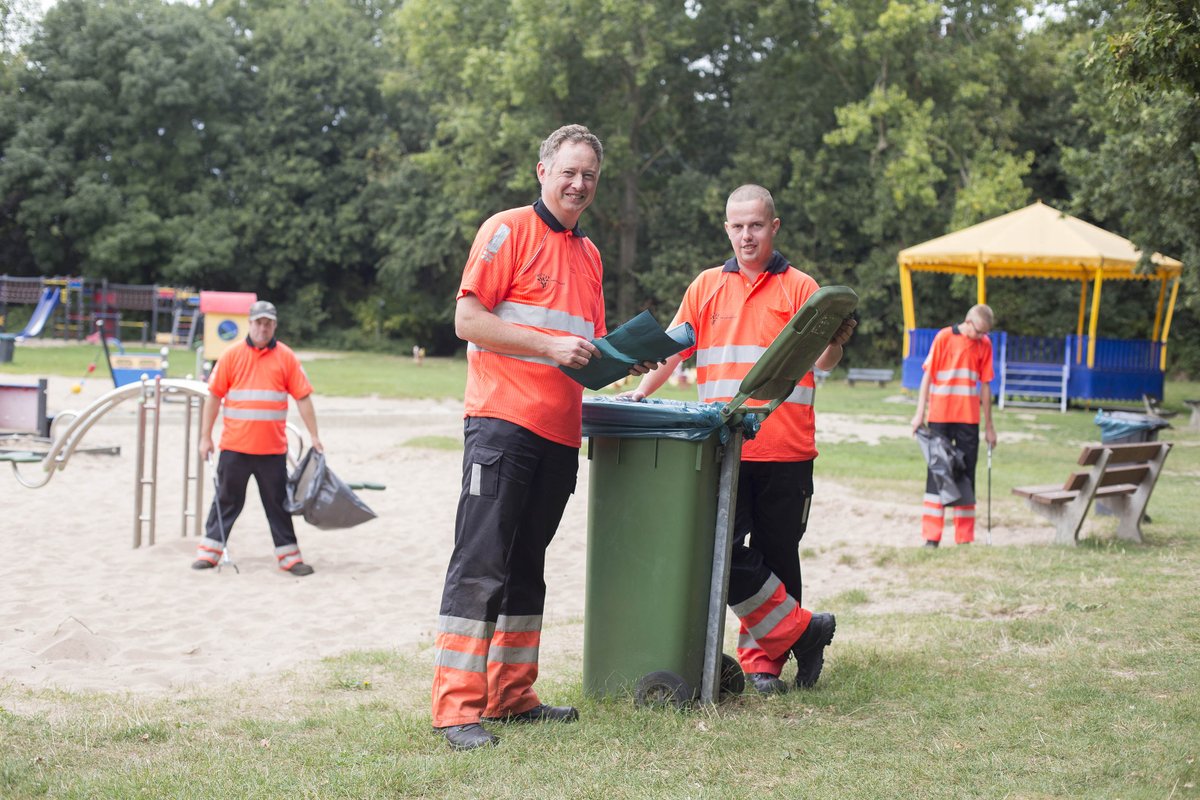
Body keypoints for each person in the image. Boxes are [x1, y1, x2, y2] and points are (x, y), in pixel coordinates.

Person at [430, 124, 654, 752]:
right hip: (501, 423)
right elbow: (467, 319)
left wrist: (619, 360)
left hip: (559, 433)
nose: (579, 185)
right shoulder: (506, 229)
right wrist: (551, 345)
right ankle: (456, 709)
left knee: (528, 567)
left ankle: (509, 695)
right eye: (569, 172)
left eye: (590, 177)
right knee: (480, 564)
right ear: (542, 171)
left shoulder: (589, 255)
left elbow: (586, 349)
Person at [619, 184, 855, 696]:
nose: (746, 236)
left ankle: (763, 665)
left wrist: (835, 343)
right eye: (737, 226)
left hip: (786, 447)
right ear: (726, 229)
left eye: (756, 225)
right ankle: (801, 631)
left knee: (778, 555)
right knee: (718, 552)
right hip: (723, 445)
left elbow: (823, 363)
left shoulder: (801, 287)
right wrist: (640, 391)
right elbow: (672, 351)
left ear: (774, 227)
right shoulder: (705, 286)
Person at [191, 300, 324, 576]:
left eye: (268, 323)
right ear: (250, 324)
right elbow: (214, 397)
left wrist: (314, 436)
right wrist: (205, 437)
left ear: (274, 325)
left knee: (278, 505)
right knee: (226, 500)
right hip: (234, 447)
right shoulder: (231, 356)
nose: (263, 328)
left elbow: (303, 397)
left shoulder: (286, 357)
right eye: (258, 322)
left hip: (272, 450)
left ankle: (289, 557)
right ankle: (210, 552)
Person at [909, 304, 997, 547]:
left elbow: (986, 385)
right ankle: (932, 537)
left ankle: (964, 538)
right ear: (968, 322)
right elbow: (927, 376)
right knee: (937, 472)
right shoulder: (944, 337)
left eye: (985, 333)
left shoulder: (985, 345)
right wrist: (919, 415)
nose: (982, 337)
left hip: (969, 419)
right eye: (979, 331)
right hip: (940, 416)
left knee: (966, 475)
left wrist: (990, 426)